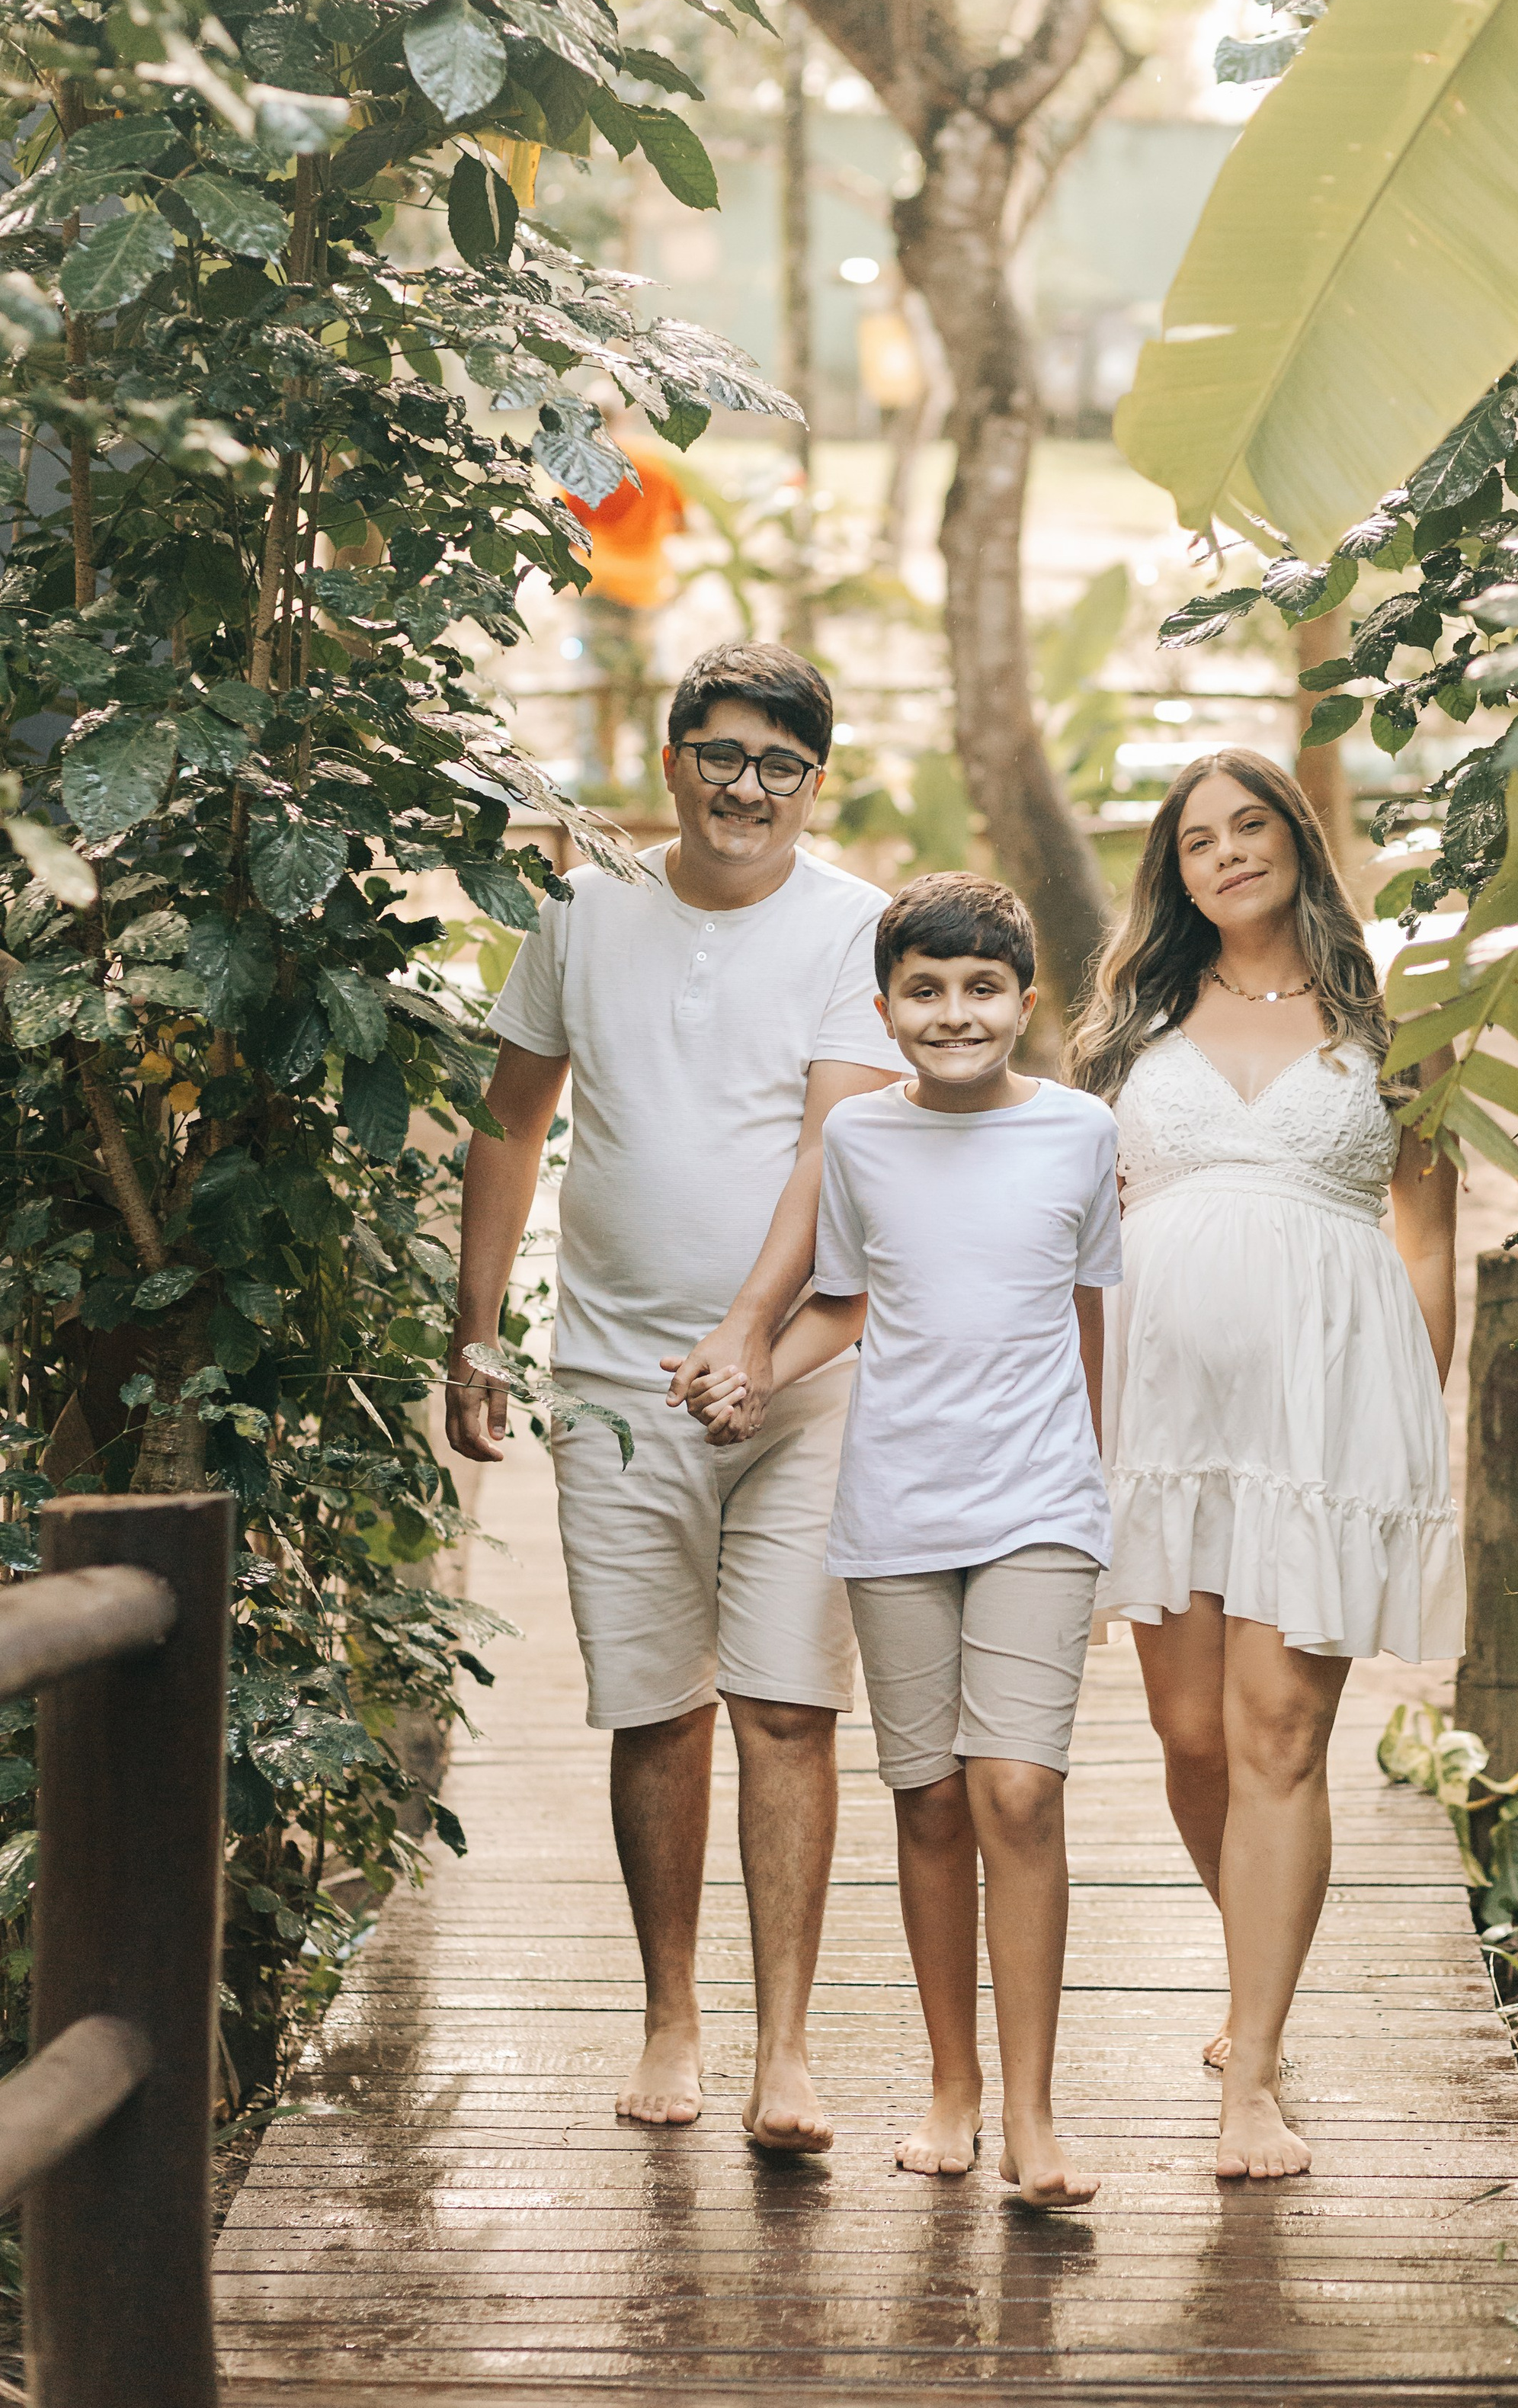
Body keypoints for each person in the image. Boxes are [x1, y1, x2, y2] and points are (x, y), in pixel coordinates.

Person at [444, 640, 898, 2150]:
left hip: (803, 1385)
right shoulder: (580, 913)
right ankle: (667, 2015)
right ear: (671, 762)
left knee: (786, 1702)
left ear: (811, 784)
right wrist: (475, 1333)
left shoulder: (852, 927)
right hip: (614, 1372)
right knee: (654, 1708)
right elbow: (510, 1124)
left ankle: (785, 2046)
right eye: (718, 753)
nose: (743, 788)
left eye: (776, 763)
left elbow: (832, 1148)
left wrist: (754, 1341)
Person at [690, 874, 1120, 2208]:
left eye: (981, 989)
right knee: (929, 1802)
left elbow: (1097, 1323)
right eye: (925, 993)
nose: (954, 1014)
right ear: (886, 1010)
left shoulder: (1083, 1133)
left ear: (1026, 1003)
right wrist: (753, 1365)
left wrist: (1104, 1490)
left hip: (1042, 1504)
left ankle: (1038, 2116)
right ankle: (955, 2087)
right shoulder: (863, 1143)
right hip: (895, 1514)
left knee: (1019, 1791)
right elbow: (853, 1303)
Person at [1066, 750, 1464, 2185]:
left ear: (1298, 839)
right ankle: (1255, 1978)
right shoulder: (1128, 1027)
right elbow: (1078, 1230)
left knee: (1280, 1737)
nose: (1228, 855)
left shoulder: (1390, 1020)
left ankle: (1257, 2057)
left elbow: (1424, 1241)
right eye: (1196, 843)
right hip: (1162, 1421)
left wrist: (1399, 1419)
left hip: (1323, 1417)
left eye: (1251, 828)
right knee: (1190, 1741)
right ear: (1173, 876)